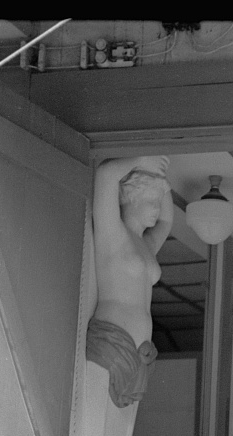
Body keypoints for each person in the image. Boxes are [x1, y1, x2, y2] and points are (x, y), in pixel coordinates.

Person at [86, 156, 174, 408]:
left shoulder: (146, 244)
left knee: (117, 429)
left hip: (141, 353)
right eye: (152, 201)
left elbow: (167, 222)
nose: (157, 209)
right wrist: (141, 161)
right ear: (131, 198)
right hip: (113, 343)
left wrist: (162, 183)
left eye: (157, 202)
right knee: (95, 419)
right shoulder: (112, 232)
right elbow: (105, 175)